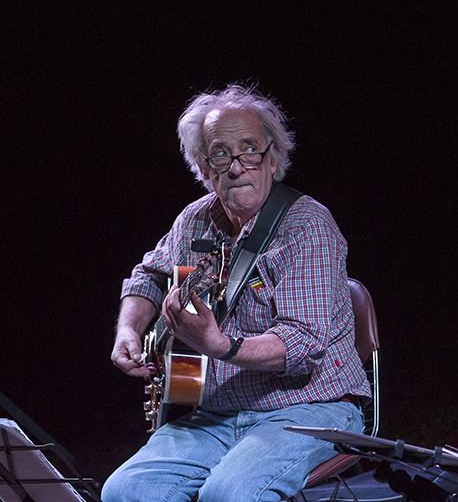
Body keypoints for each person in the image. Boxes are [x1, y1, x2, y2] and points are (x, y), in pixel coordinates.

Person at [102, 84, 370, 502]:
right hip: (214, 412)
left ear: (273, 157)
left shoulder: (308, 226)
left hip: (309, 409)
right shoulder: (194, 221)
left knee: (228, 494)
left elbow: (303, 343)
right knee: (125, 491)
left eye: (250, 150)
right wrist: (129, 330)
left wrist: (216, 344)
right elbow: (148, 276)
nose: (237, 166)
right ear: (203, 165)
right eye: (220, 154)